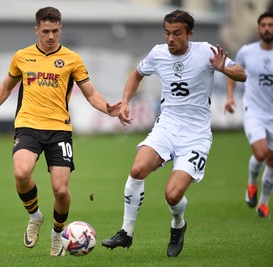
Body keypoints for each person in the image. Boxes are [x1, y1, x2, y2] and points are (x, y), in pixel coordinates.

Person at [0, 6, 120, 256]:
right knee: (21, 173)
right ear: (37, 29)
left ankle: (57, 233)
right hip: (28, 125)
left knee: (60, 190)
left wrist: (108, 108)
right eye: (46, 31)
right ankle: (36, 216)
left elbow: (91, 93)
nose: (51, 36)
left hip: (59, 130)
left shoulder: (72, 59)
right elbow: (6, 87)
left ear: (60, 29)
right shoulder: (22, 56)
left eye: (55, 31)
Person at [101, 9, 246, 257]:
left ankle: (178, 224)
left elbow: (241, 74)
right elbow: (137, 73)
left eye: (176, 33)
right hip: (167, 126)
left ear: (189, 33)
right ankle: (126, 232)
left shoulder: (206, 51)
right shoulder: (158, 53)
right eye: (167, 33)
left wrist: (223, 68)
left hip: (196, 135)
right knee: (137, 170)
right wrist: (125, 101)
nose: (170, 39)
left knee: (172, 195)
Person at [225, 11, 273, 218]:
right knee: (261, 153)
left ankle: (263, 202)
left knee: (272, 160)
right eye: (264, 25)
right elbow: (231, 71)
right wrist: (230, 97)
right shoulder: (247, 51)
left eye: (271, 25)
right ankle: (252, 183)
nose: (267, 29)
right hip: (254, 111)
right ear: (258, 28)